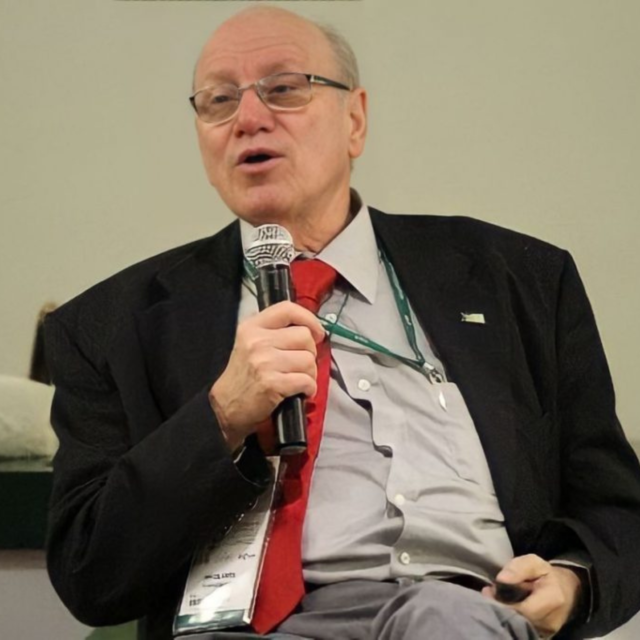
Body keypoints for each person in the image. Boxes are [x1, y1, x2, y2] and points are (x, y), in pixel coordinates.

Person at [44, 6, 640, 640]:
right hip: (243, 629)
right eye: (219, 100)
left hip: (461, 612)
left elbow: (616, 510)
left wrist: (573, 581)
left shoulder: (520, 279)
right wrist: (221, 417)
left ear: (354, 119)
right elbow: (90, 575)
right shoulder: (108, 328)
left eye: (283, 89)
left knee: (443, 620)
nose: (248, 118)